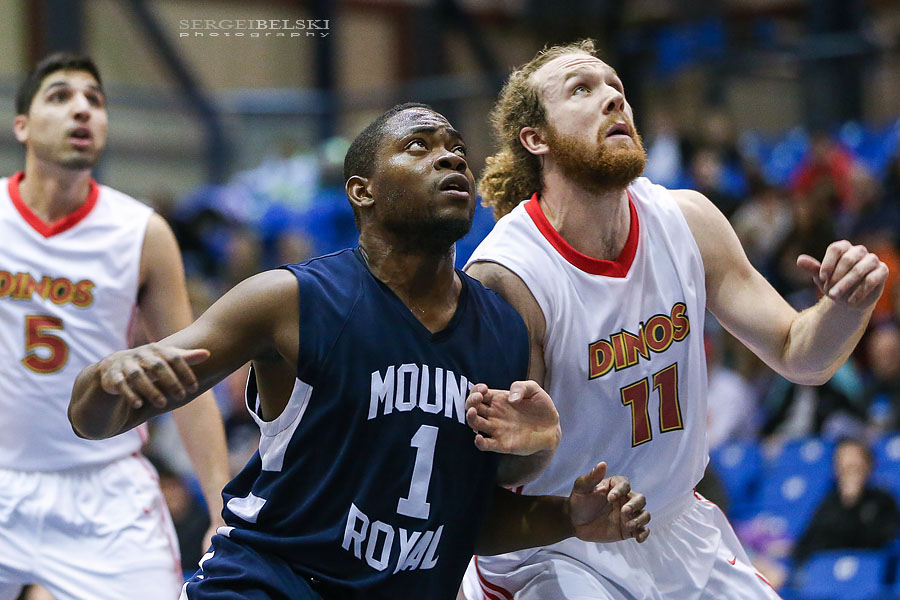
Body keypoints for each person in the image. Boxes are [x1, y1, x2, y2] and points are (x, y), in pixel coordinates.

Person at [68, 103, 651, 600]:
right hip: (267, 583)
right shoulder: (288, 300)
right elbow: (96, 419)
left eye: (456, 148)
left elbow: (456, 519)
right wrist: (105, 381)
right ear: (362, 191)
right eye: (419, 147)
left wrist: (566, 514)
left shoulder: (502, 327)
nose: (450, 158)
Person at [460, 39, 889, 600]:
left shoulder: (687, 220)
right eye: (581, 90)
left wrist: (845, 309)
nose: (613, 98)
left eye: (616, 86)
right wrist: (534, 442)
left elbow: (799, 354)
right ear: (535, 139)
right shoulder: (509, 275)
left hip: (677, 523)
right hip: (558, 543)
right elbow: (494, 486)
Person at [0, 53, 230, 600]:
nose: (82, 109)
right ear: (22, 127)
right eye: (60, 96)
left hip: (103, 491)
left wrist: (224, 510)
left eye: (95, 100)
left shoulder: (141, 232)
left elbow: (191, 381)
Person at [792, 438, 899, 565]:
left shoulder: (883, 500)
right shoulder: (829, 502)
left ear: (868, 465)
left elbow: (880, 542)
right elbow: (807, 543)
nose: (849, 469)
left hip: (862, 569)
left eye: (855, 464)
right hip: (823, 571)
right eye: (843, 463)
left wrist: (853, 503)